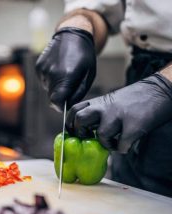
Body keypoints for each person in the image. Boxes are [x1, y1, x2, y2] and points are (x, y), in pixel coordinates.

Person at [35, 0, 172, 197]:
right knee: (134, 206)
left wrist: (164, 87)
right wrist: (77, 29)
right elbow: (100, 9)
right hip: (143, 75)